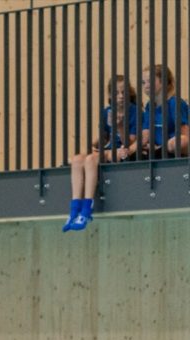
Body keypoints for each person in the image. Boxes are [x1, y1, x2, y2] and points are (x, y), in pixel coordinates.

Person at [63, 74, 139, 232]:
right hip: (107, 148)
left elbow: (130, 142)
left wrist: (119, 127)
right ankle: (73, 209)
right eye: (116, 93)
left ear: (129, 93)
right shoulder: (107, 112)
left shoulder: (134, 111)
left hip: (120, 150)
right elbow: (103, 138)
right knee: (78, 159)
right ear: (110, 95)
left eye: (123, 93)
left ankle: (86, 209)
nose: (120, 97)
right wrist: (94, 145)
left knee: (91, 160)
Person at [140, 64, 190, 160]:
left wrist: (162, 147)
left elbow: (185, 137)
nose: (146, 86)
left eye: (150, 81)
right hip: (157, 150)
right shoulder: (149, 106)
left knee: (177, 142)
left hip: (174, 149)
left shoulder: (175, 103)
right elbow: (145, 134)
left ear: (163, 82)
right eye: (143, 82)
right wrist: (129, 148)